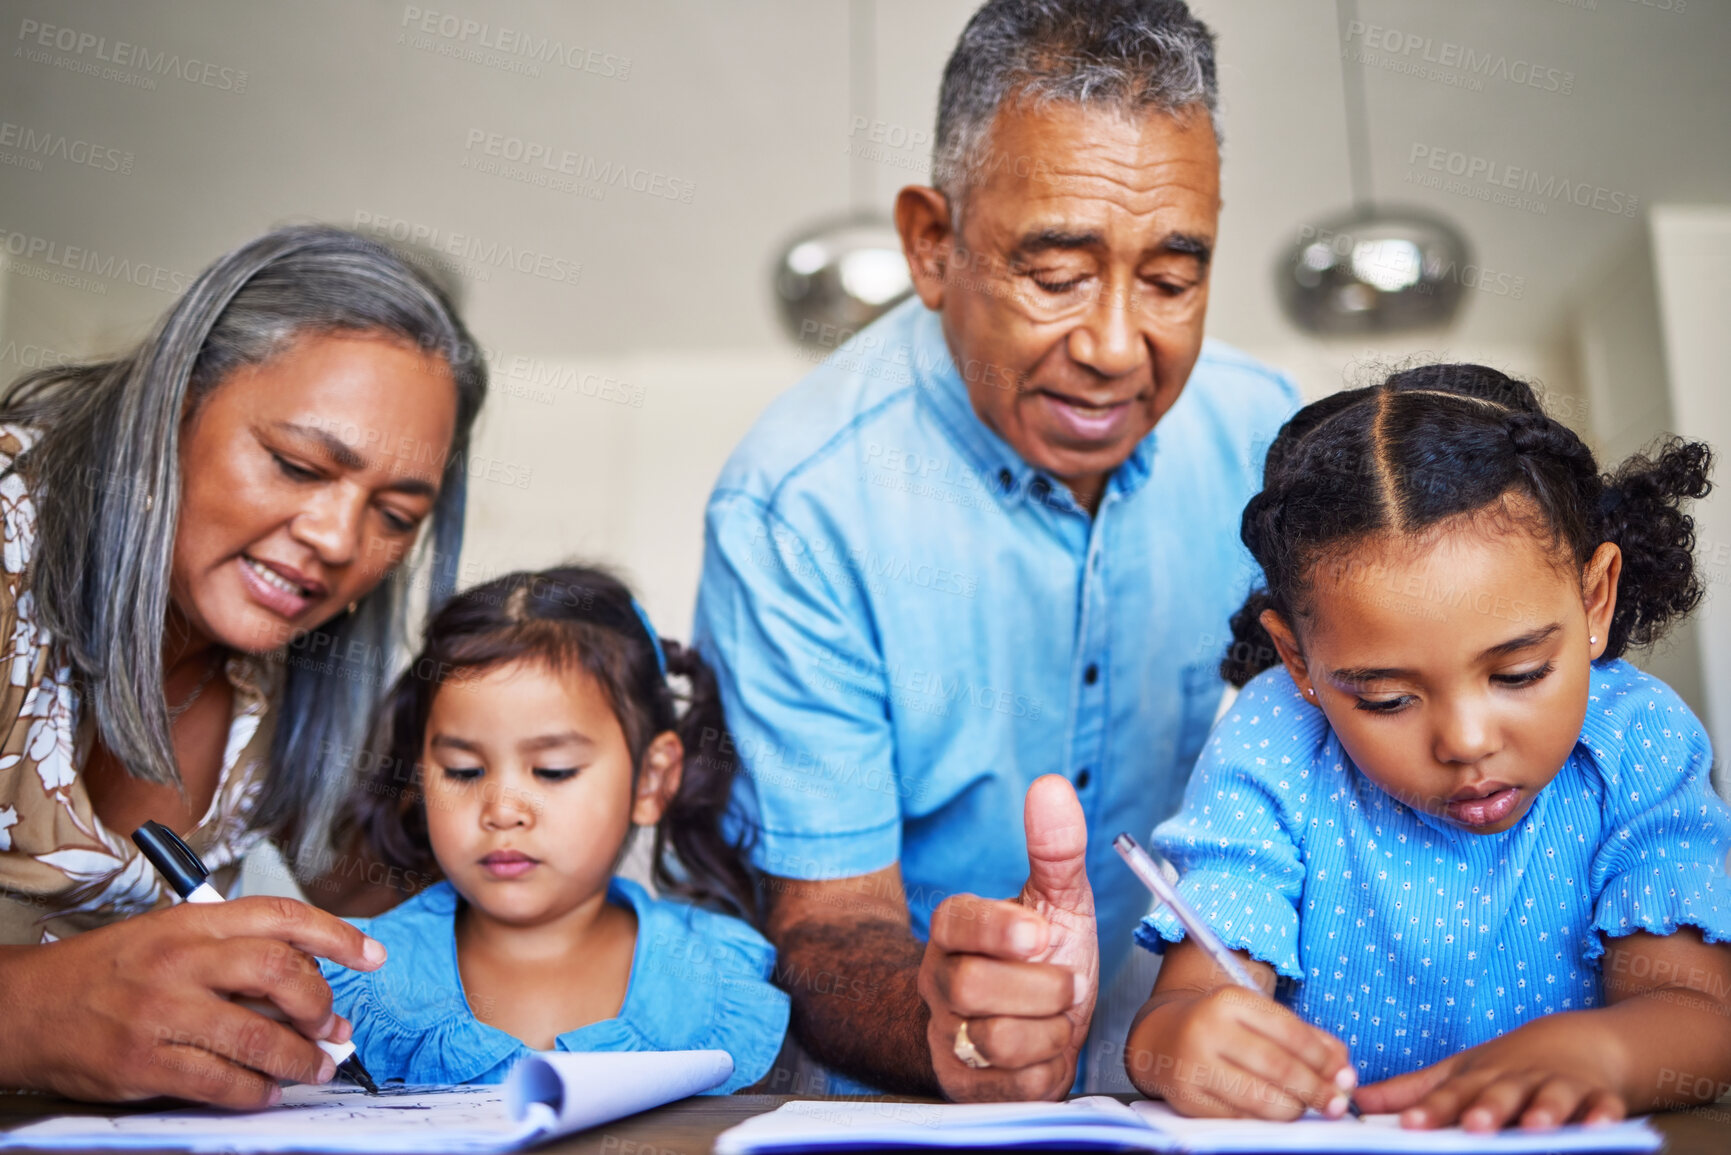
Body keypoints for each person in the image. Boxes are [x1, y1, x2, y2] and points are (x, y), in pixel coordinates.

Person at [693, 0, 1300, 1100]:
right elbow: (827, 926)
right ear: (934, 244)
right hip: (896, 1094)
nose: (1118, 348)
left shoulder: (1270, 447)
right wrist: (952, 1020)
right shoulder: (797, 508)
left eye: (1171, 279)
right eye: (1056, 273)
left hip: (1160, 1086)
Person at [1123, 365, 1731, 1129]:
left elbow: (1701, 1015)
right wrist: (1177, 1040)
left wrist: (1601, 1051)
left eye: (1518, 672)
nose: (1466, 741)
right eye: (1386, 699)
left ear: (1593, 600)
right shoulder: (1274, 738)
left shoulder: (1636, 739)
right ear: (1298, 662)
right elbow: (1183, 1007)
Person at [0, 225, 489, 1106]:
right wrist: (26, 1011)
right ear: (175, 403)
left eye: (395, 515)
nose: (339, 542)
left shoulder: (285, 677)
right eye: (297, 464)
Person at [324, 567, 790, 1090]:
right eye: (463, 771)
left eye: (554, 770)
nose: (502, 811)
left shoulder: (720, 978)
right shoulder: (350, 973)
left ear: (651, 781)